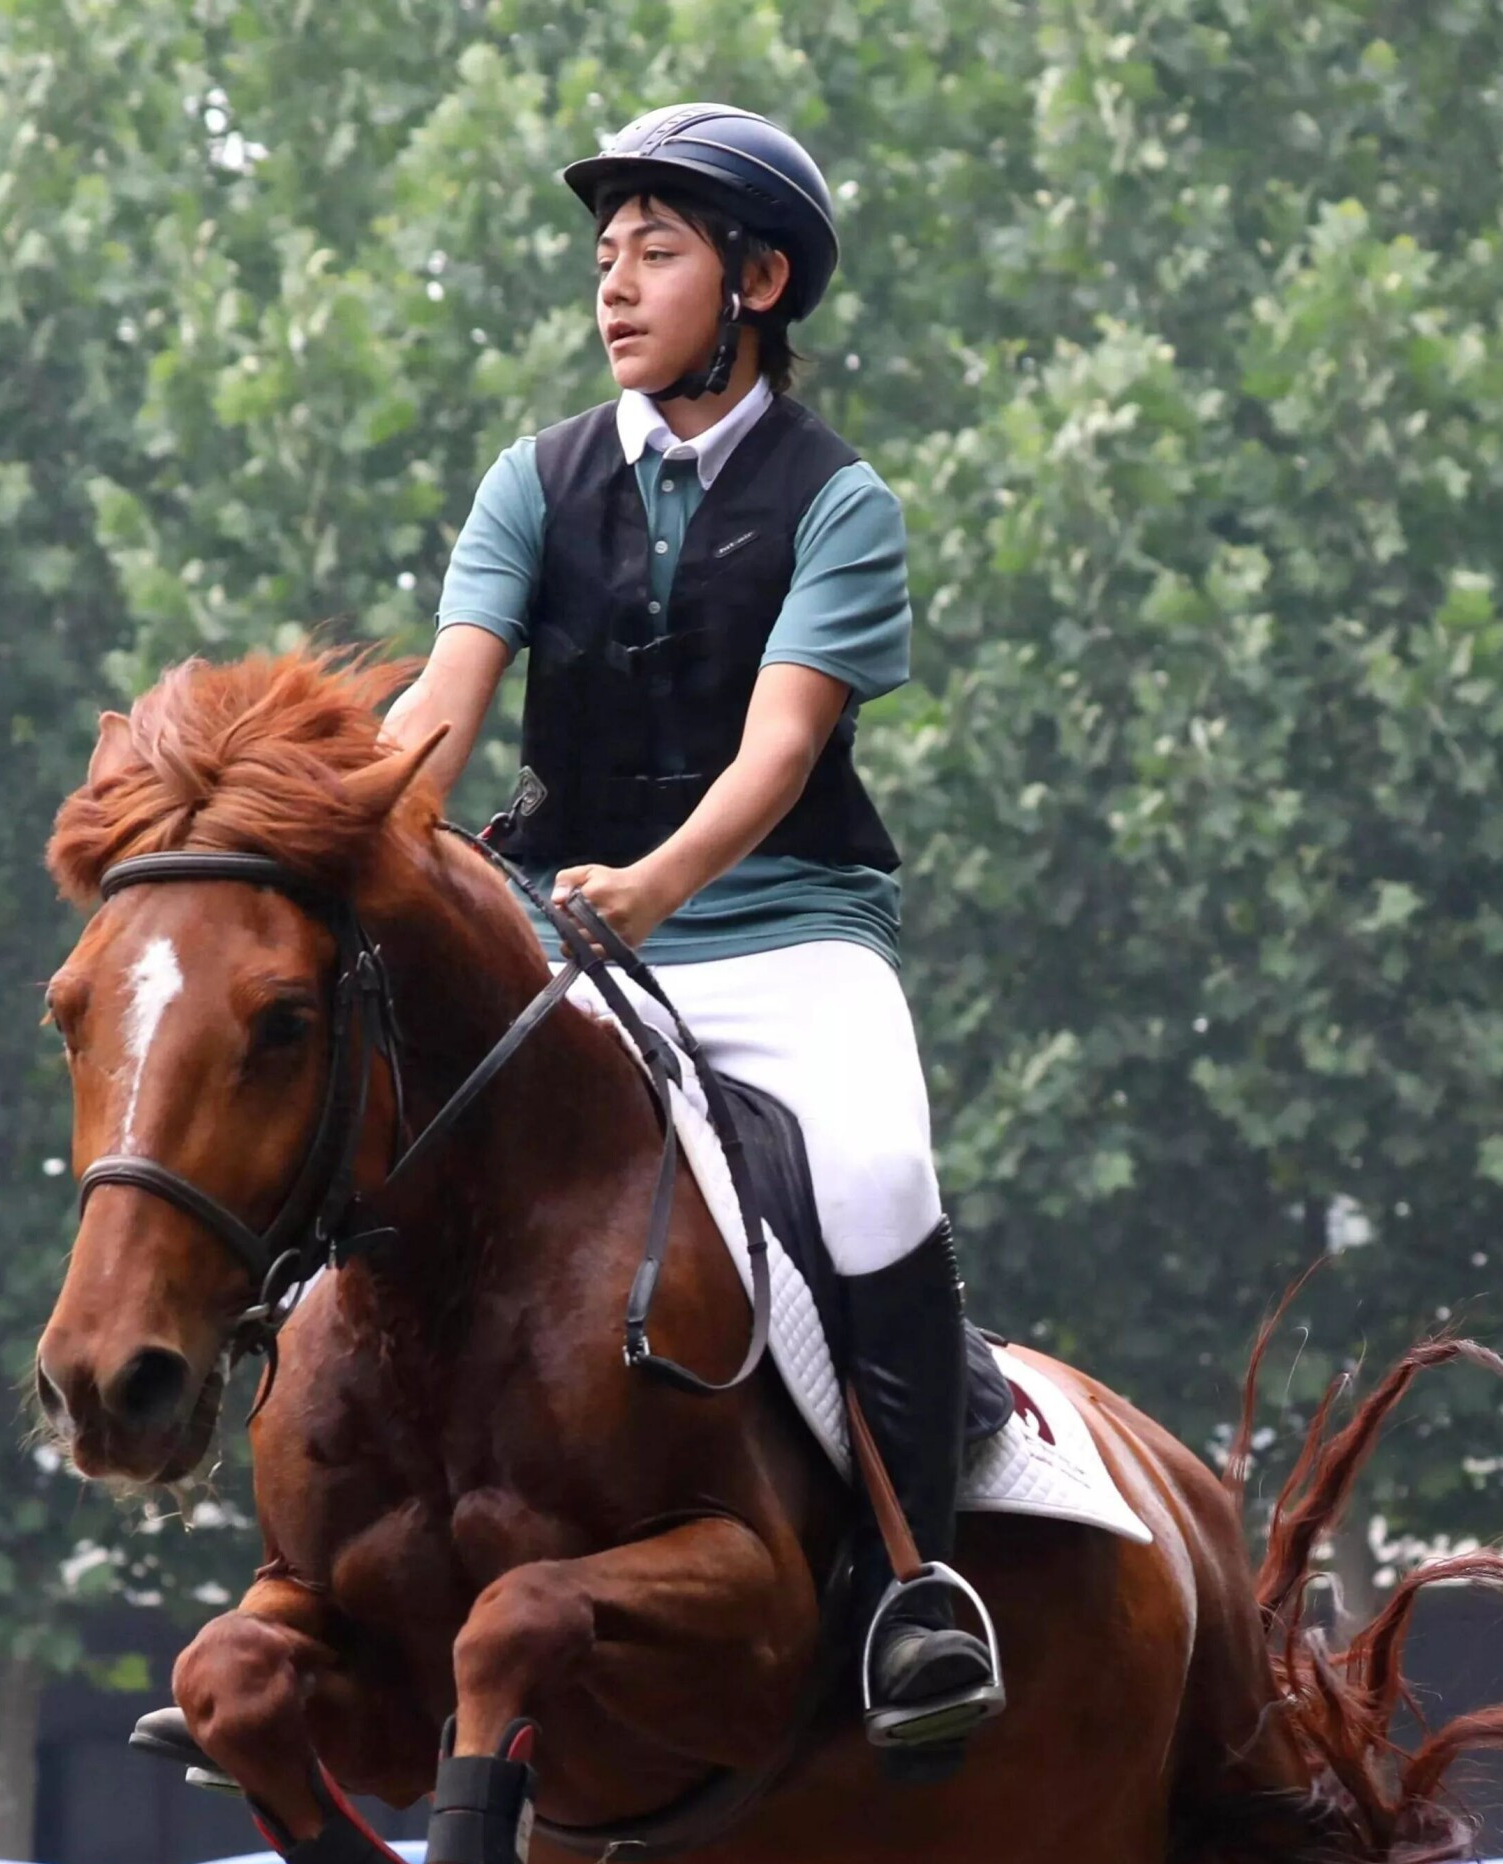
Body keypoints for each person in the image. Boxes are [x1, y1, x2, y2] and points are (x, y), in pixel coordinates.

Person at [383, 102, 1004, 1761]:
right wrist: (347, 836)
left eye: (656, 253)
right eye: (606, 255)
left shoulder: (840, 501)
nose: (614, 285)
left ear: (759, 283)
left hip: (786, 932)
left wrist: (657, 887)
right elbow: (442, 704)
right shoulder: (533, 482)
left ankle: (912, 1583)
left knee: (879, 1171)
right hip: (563, 938)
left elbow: (779, 753)